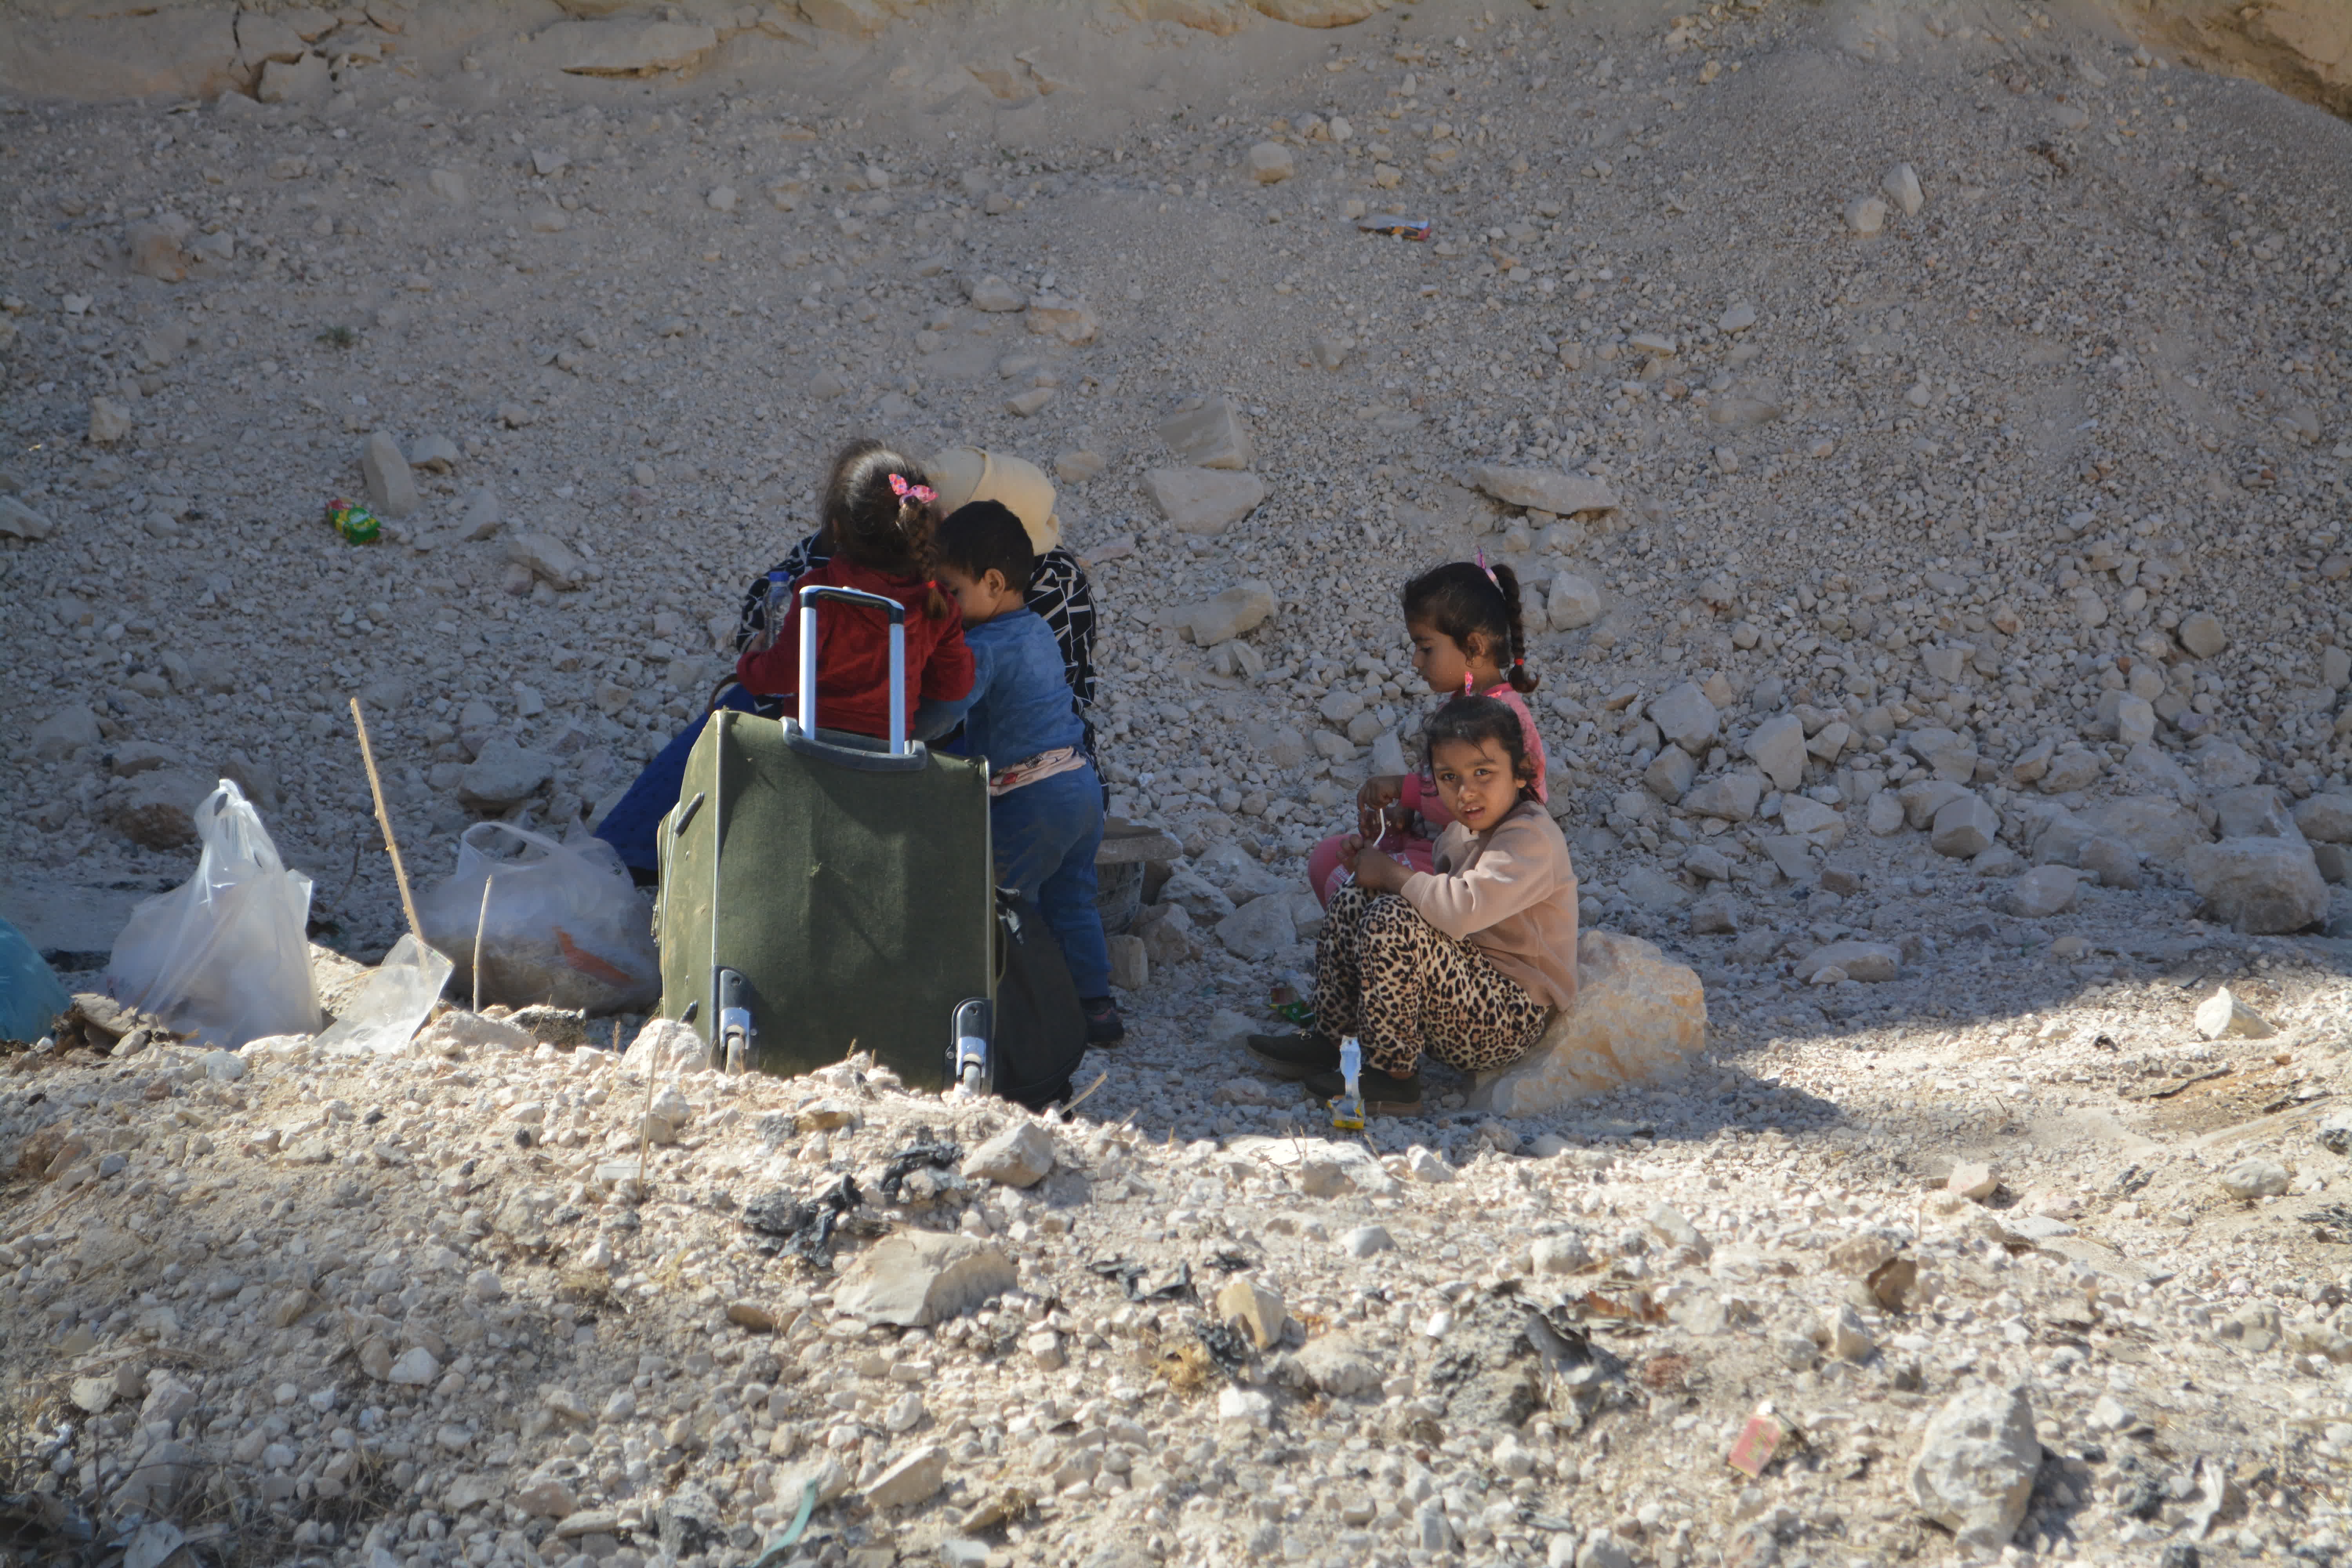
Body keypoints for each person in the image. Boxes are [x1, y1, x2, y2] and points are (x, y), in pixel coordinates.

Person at [1247, 696, 1579, 1117]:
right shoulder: (1466, 829)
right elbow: (1429, 900)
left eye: (1483, 773)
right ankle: (1335, 1040)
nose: (1466, 791)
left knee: (1392, 916)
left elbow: (1459, 910)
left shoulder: (1530, 838)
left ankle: (1394, 1079)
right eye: (1449, 777)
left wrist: (1388, 873)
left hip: (1510, 1014)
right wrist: (1375, 859)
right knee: (1358, 896)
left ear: (1522, 773)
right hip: (1471, 981)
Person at [733, 446, 1098, 748]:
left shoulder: (1052, 580)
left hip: (818, 742)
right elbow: (955, 687)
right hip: (897, 750)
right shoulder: (901, 547)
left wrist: (755, 667)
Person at [928, 501, 1123, 1045]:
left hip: (1032, 798)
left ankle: (1021, 1011)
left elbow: (946, 711)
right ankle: (1097, 1009)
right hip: (1080, 786)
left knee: (1009, 901)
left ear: (992, 583)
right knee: (1074, 899)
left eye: (951, 590)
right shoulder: (1037, 629)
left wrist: (901, 729)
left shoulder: (983, 645)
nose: (944, 603)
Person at [1306, 559, 1550, 907]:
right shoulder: (1457, 703)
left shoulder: (1499, 719)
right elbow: (1438, 790)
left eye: (1427, 648)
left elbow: (1469, 802)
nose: (1416, 662)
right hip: (1434, 843)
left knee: (1360, 890)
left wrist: (1402, 790)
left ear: (1473, 648)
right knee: (1326, 859)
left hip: (1470, 866)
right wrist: (1406, 818)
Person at [732, 441, 973, 739]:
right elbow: (955, 686)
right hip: (889, 761)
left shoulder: (818, 592)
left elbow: (782, 677)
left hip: (811, 753)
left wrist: (751, 664)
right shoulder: (939, 603)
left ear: (836, 529)